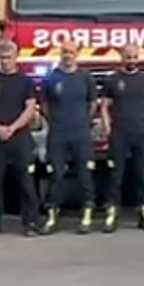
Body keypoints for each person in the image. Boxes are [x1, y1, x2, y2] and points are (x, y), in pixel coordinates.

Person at [0, 40, 41, 237]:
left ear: (16, 58)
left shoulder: (25, 81)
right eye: (2, 57)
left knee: (26, 180)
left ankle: (31, 222)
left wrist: (13, 127)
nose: (5, 61)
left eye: (9, 58)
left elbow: (30, 108)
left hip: (20, 136)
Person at [40, 39, 98, 234]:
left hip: (81, 133)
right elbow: (45, 105)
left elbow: (92, 104)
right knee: (55, 175)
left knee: (85, 174)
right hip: (58, 133)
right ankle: (51, 216)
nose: (68, 55)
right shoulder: (51, 78)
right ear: (60, 53)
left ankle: (87, 215)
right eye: (64, 52)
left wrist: (82, 122)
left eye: (71, 52)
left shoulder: (86, 78)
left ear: (77, 54)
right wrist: (55, 121)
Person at [102, 42, 144, 232]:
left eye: (135, 57)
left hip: (140, 132)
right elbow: (104, 106)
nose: (132, 61)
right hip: (119, 133)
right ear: (121, 57)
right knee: (115, 175)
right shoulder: (112, 80)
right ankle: (112, 214)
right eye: (128, 57)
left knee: (142, 174)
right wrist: (108, 128)